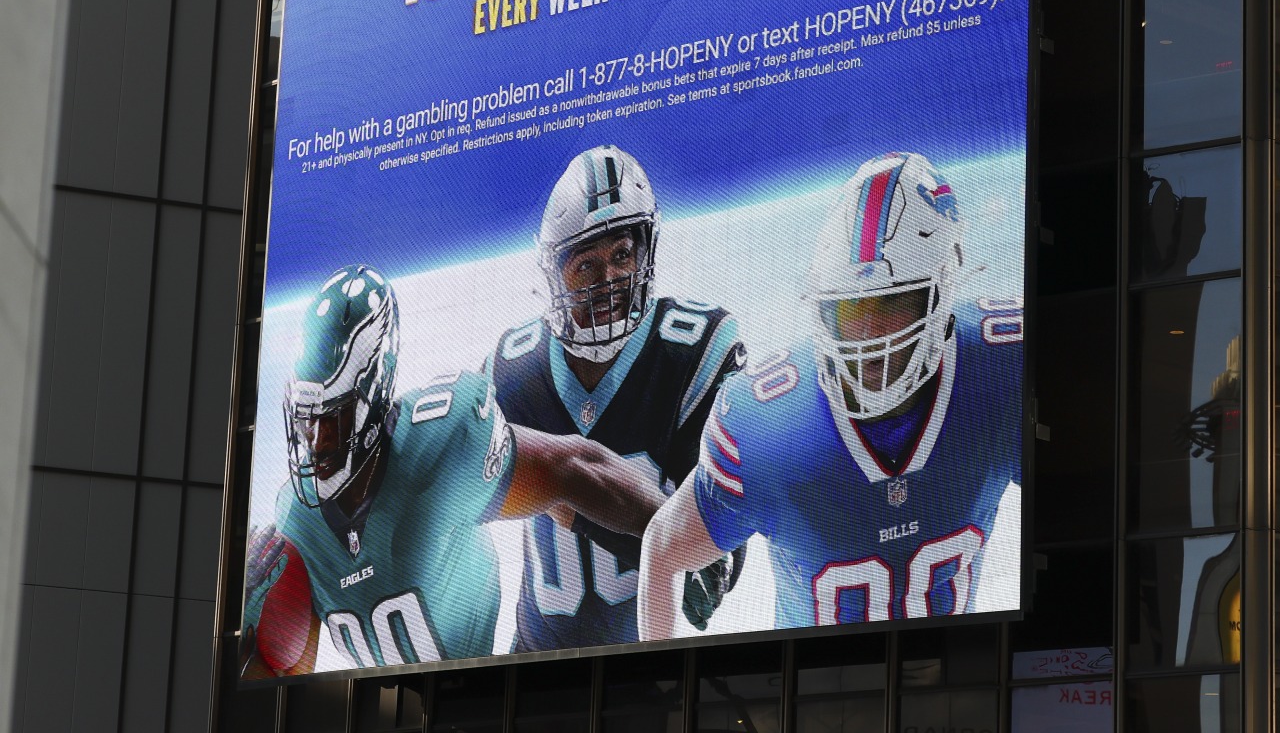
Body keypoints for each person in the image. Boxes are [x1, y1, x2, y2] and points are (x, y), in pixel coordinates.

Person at [638, 151, 1022, 636]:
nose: (869, 334)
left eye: (892, 302)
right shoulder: (766, 426)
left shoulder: (1003, 370)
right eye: (850, 309)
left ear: (942, 288)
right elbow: (662, 550)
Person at [240, 264, 668, 676]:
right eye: (304, 419)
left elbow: (570, 469)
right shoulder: (298, 522)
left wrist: (682, 533)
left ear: (373, 390)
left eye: (331, 418)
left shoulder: (439, 444)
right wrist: (236, 629)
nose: (314, 440)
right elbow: (285, 680)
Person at [488, 145, 746, 650]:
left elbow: (710, 578)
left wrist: (562, 491)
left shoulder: (694, 352)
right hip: (534, 662)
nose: (608, 282)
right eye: (586, 265)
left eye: (622, 255)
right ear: (554, 273)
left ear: (645, 253)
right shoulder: (515, 368)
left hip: (649, 669)